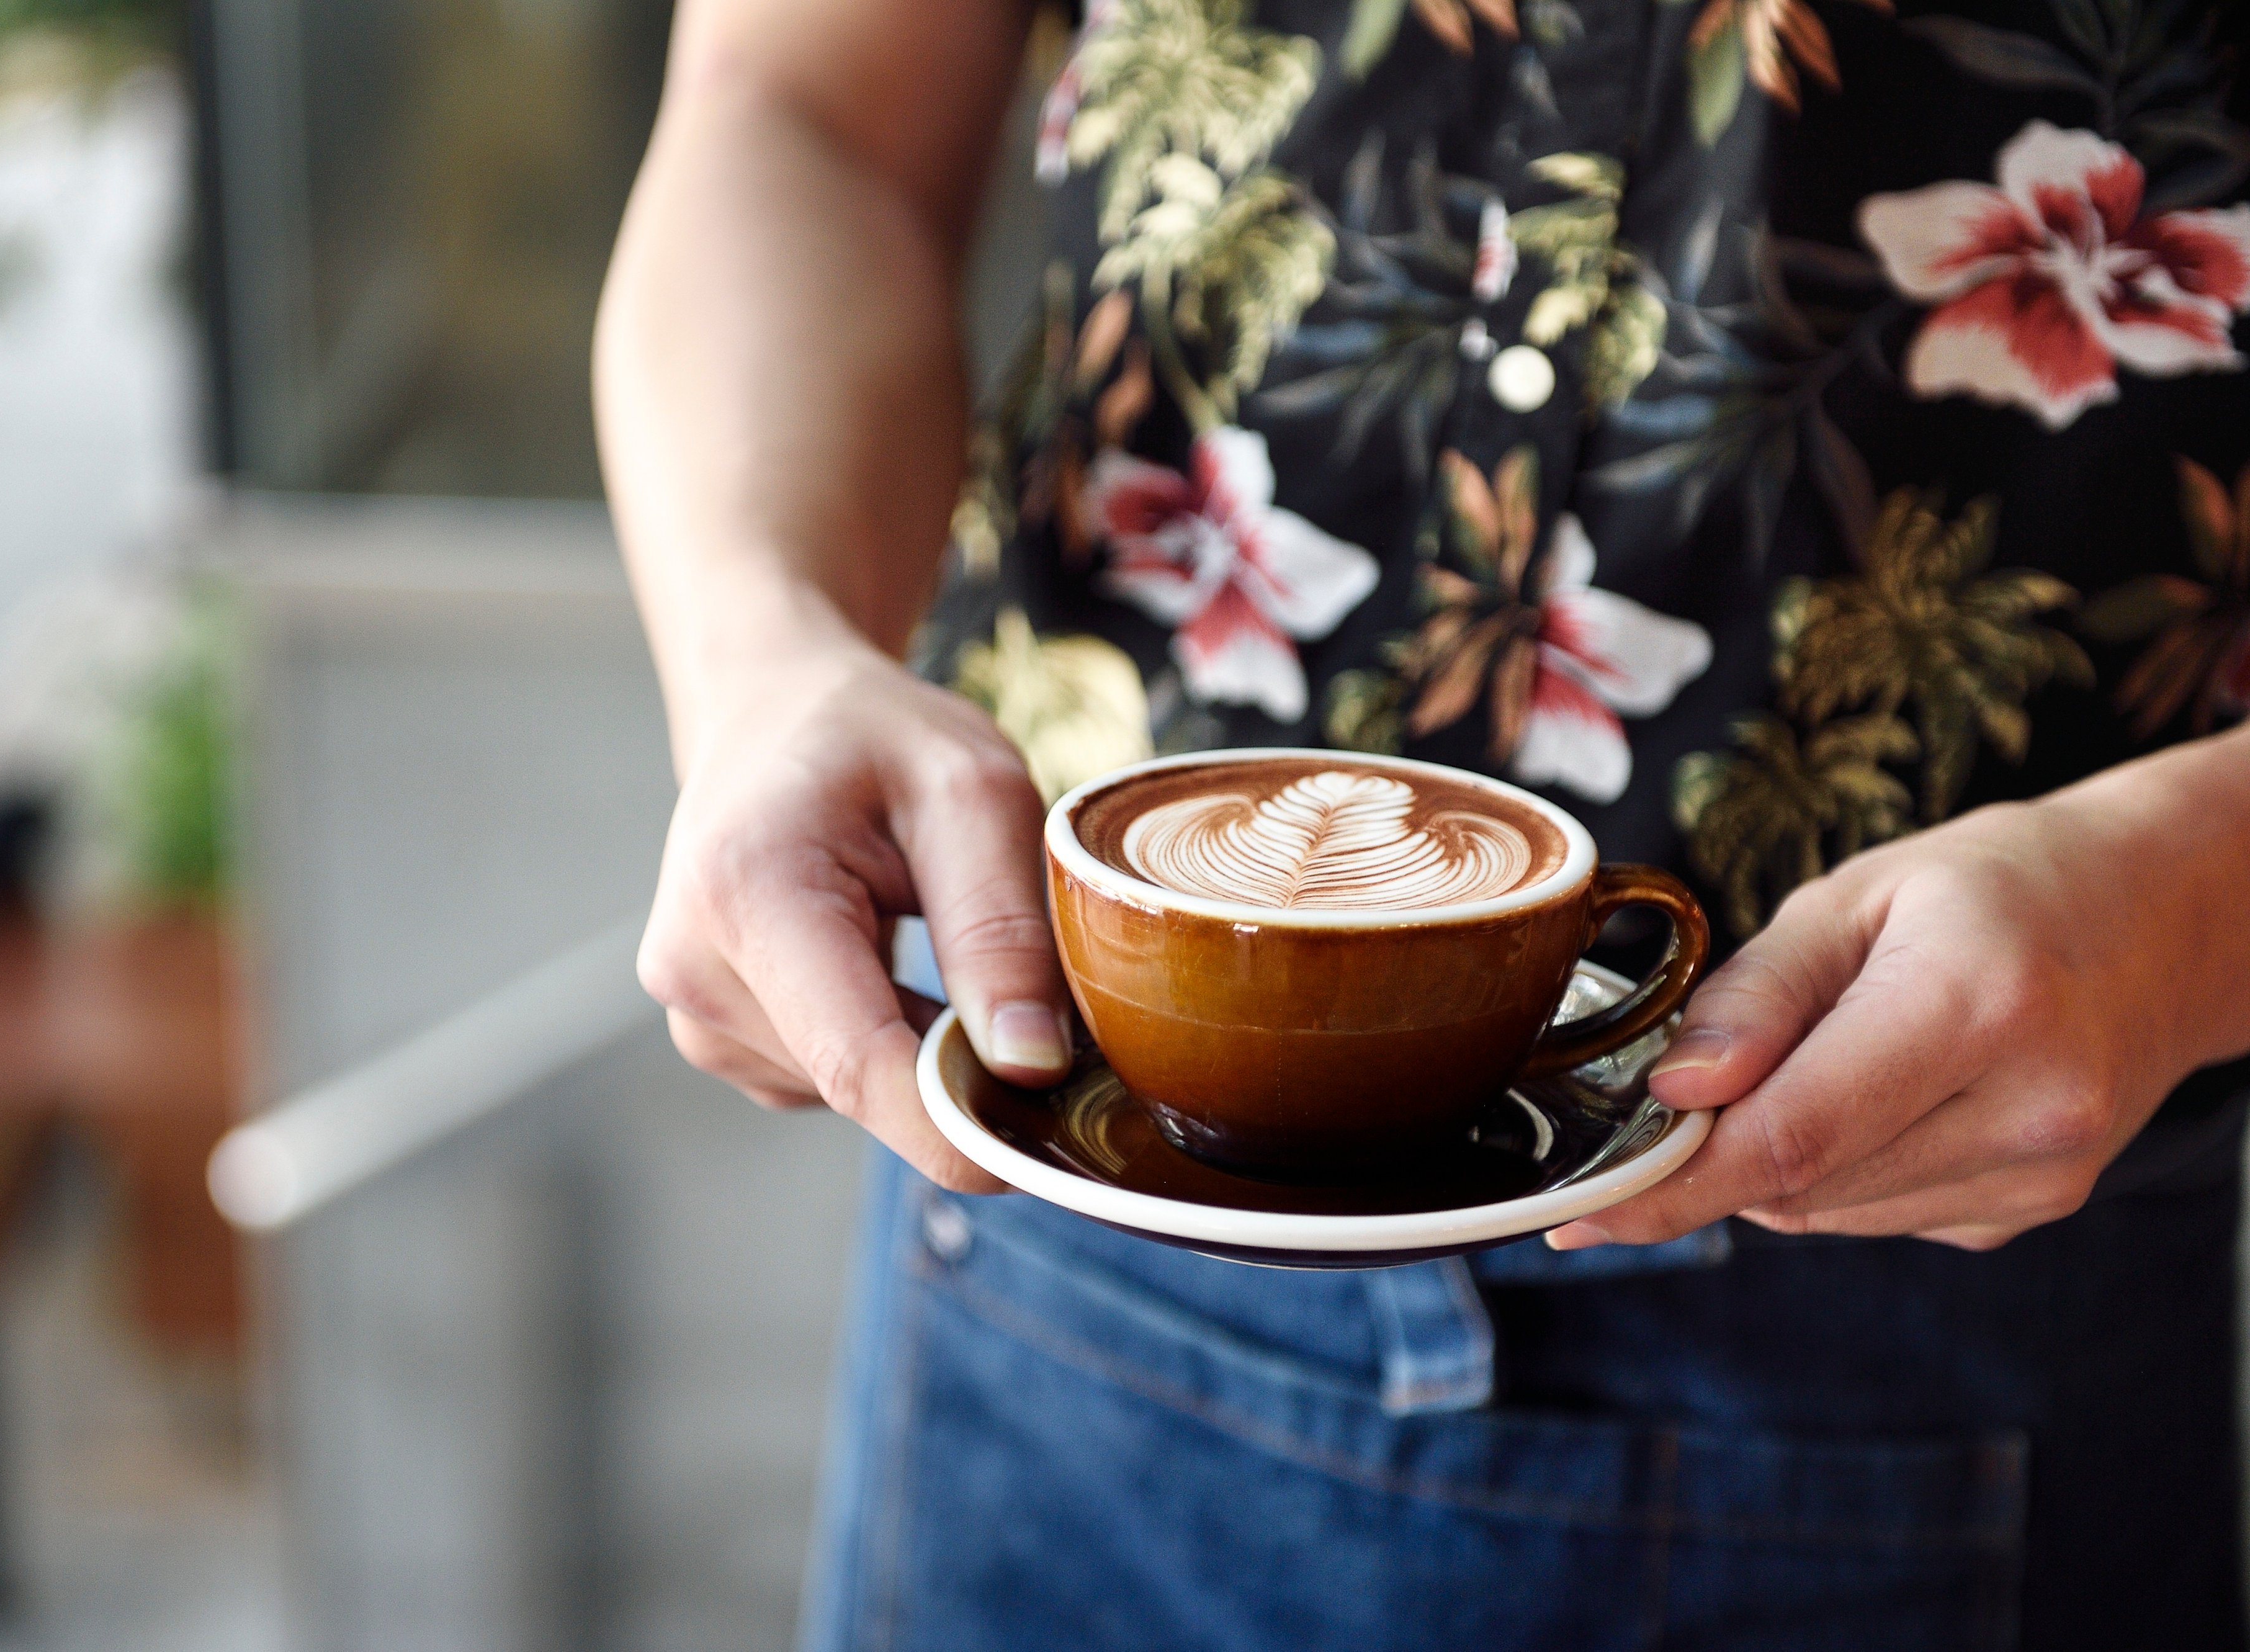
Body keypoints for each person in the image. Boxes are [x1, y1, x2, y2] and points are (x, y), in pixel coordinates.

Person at [595, 0, 2250, 1643]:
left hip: (1950, 1262)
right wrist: (764, 659)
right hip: (1056, 1189)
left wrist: (2191, 897)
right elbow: (803, 115)